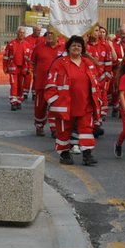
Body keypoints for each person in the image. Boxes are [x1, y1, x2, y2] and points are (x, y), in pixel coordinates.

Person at [45, 35, 100, 165]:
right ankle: (64, 154)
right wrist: (54, 101)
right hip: (65, 105)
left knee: (87, 130)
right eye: (74, 45)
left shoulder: (89, 64)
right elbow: (50, 83)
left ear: (83, 49)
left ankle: (87, 155)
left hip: (85, 104)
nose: (76, 48)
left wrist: (99, 101)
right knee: (64, 131)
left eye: (79, 46)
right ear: (68, 48)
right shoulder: (59, 63)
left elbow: (96, 84)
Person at [30, 27, 64, 135]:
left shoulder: (63, 48)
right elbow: (32, 62)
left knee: (56, 107)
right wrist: (35, 74)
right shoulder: (39, 47)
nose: (49, 35)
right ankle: (39, 126)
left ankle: (55, 129)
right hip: (41, 83)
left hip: (57, 85)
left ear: (58, 36)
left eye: (52, 33)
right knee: (40, 107)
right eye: (48, 33)